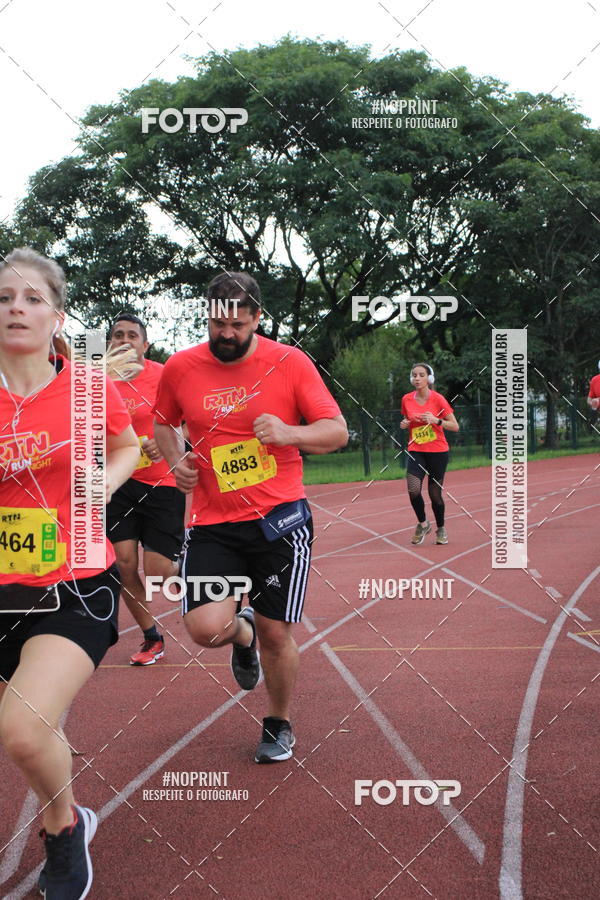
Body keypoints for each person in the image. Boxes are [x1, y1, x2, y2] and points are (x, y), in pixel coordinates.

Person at [153, 272, 348, 763]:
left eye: (237, 325)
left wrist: (289, 433)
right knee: (204, 629)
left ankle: (278, 722)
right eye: (217, 324)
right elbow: (163, 423)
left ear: (257, 318)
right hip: (212, 523)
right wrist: (176, 460)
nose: (226, 334)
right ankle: (242, 635)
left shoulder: (289, 362)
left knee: (276, 632)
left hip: (278, 521)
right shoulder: (181, 367)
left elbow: (336, 431)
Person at [0, 248, 139, 899]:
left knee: (22, 728)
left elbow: (127, 445)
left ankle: (63, 826)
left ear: (57, 316)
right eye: (4, 298)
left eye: (32, 298)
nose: (16, 308)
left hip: (75, 585)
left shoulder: (87, 387)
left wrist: (106, 481)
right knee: (35, 728)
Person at [106, 314, 185, 666]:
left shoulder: (164, 375)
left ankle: (189, 564)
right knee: (123, 564)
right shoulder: (97, 381)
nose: (125, 341)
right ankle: (152, 637)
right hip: (118, 485)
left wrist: (165, 440)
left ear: (145, 345)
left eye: (132, 335)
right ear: (109, 343)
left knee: (158, 573)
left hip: (161, 483)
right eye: (118, 335)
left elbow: (190, 422)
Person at [400, 363, 459, 545]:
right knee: (413, 489)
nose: (417, 378)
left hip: (437, 451)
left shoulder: (438, 399)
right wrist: (405, 424)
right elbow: (407, 419)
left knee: (435, 494)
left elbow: (455, 426)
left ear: (429, 378)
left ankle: (441, 528)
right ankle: (423, 523)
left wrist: (436, 420)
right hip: (416, 450)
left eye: (421, 375)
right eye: (414, 375)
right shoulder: (406, 399)